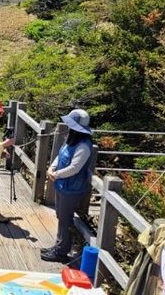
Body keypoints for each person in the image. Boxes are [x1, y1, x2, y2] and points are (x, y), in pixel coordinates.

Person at [41, 109, 94, 263]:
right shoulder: (72, 140)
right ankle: (58, 246)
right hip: (63, 186)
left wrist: (55, 174)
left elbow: (74, 168)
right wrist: (52, 168)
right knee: (61, 217)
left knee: (65, 219)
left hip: (72, 189)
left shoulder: (84, 146)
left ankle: (61, 251)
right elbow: (60, 155)